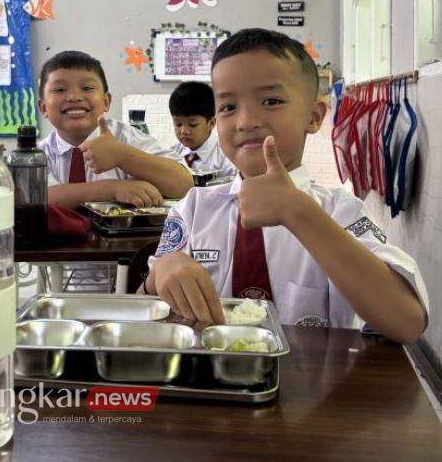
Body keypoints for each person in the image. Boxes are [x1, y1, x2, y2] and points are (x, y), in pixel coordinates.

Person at [142, 28, 427, 344]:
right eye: (227, 107)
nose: (246, 121)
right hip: (211, 384)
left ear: (314, 116)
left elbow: (407, 322)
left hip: (315, 388)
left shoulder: (340, 213)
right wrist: (163, 272)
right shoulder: (193, 209)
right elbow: (147, 304)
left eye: (271, 101)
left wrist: (299, 213)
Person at [37, 50, 193, 209]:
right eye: (59, 90)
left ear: (106, 101)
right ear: (43, 107)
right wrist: (113, 189)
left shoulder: (126, 138)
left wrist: (122, 155)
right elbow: (37, 199)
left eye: (87, 87)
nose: (74, 97)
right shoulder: (36, 155)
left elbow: (184, 185)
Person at [169, 81, 236, 177]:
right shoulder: (172, 154)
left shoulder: (227, 159)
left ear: (212, 123)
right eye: (178, 124)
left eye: (193, 125)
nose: (183, 131)